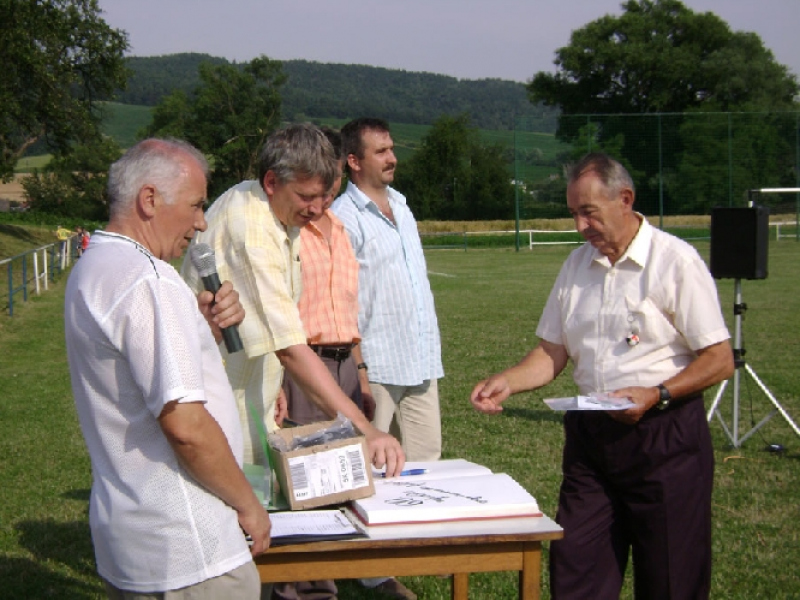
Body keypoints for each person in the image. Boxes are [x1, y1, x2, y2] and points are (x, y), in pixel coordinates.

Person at [470, 152, 735, 600]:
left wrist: (657, 394)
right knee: (576, 570)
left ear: (625, 199)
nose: (580, 226)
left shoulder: (675, 262)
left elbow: (719, 358)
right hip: (590, 442)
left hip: (664, 438)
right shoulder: (576, 266)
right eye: (574, 213)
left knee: (672, 579)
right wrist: (509, 381)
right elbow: (553, 351)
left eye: (588, 213)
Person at [64, 138, 272, 599]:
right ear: (150, 199)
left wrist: (197, 333)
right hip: (190, 549)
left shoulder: (93, 265)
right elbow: (186, 427)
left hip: (133, 539)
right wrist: (248, 504)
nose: (201, 223)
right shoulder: (150, 280)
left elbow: (126, 376)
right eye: (197, 205)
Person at [180, 122, 404, 476]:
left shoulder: (271, 206)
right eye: (306, 197)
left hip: (247, 397)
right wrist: (367, 429)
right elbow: (289, 346)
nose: (316, 210)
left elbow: (272, 332)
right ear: (272, 182)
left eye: (323, 197)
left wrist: (272, 378)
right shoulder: (249, 228)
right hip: (218, 409)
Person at [332, 117, 443, 463]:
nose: (392, 158)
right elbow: (340, 299)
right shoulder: (343, 217)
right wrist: (360, 369)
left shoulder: (402, 206)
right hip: (376, 367)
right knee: (371, 465)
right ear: (354, 161)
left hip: (421, 361)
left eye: (391, 149)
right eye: (380, 152)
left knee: (427, 465)